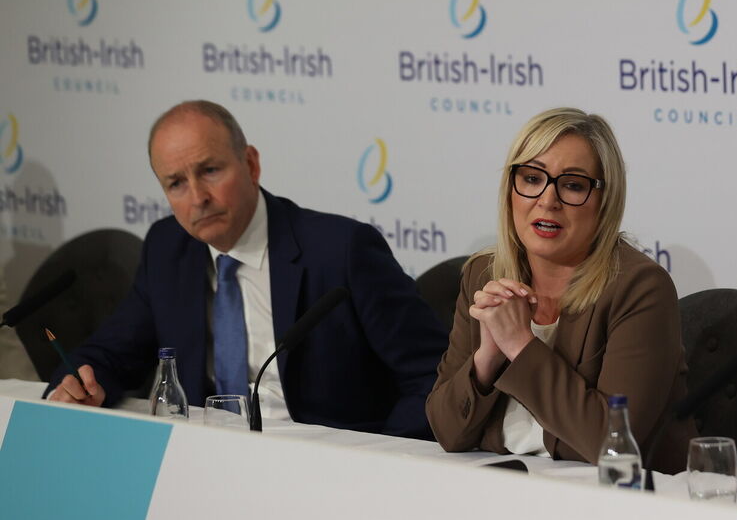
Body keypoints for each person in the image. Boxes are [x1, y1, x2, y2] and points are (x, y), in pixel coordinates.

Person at [46, 100, 447, 438]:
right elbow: (112, 353)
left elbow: (435, 378)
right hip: (207, 463)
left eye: (210, 171)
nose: (198, 198)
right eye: (176, 184)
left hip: (325, 468)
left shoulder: (341, 251)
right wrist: (78, 385)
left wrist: (377, 461)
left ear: (251, 164)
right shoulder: (168, 248)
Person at [425, 107, 692, 472]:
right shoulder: (483, 275)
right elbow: (447, 432)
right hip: (498, 491)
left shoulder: (639, 288)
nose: (547, 200)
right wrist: (487, 358)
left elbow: (610, 445)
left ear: (604, 200)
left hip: (614, 506)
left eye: (572, 185)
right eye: (532, 179)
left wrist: (520, 345)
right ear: (511, 190)